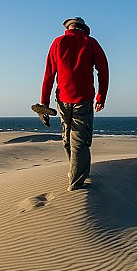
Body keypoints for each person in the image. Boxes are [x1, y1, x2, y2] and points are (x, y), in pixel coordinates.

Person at [40, 17, 109, 191]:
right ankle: (76, 182)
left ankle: (75, 170)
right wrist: (101, 97)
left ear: (68, 27)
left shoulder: (57, 42)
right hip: (83, 99)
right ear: (83, 29)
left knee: (67, 136)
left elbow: (49, 75)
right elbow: (103, 70)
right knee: (80, 140)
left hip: (62, 100)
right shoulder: (90, 42)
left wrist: (44, 103)